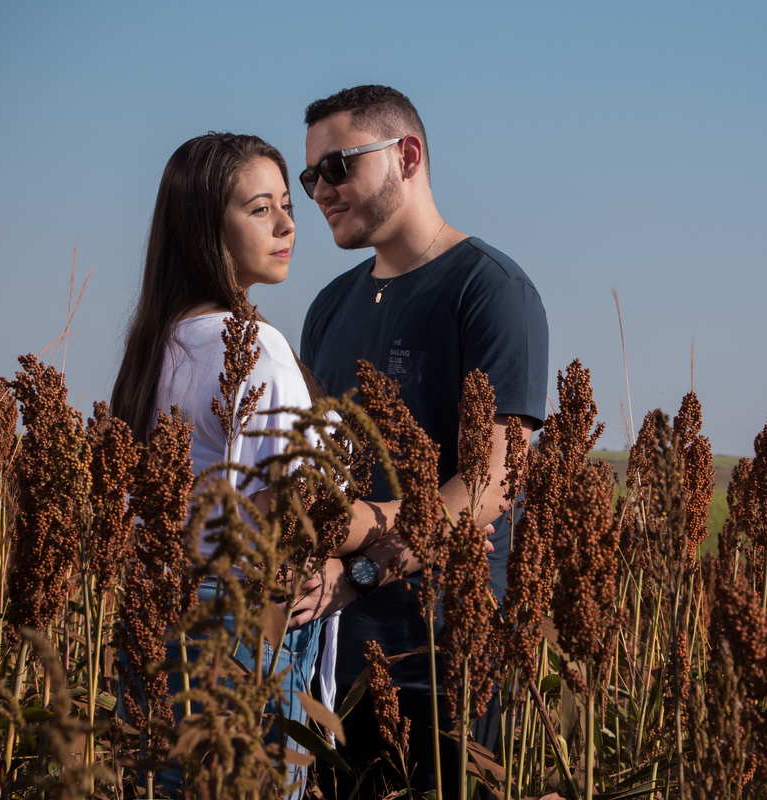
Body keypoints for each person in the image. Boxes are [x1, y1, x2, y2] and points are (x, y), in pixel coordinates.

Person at [290, 85, 550, 799]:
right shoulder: (329, 306)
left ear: (407, 156)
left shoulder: (490, 291)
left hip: (442, 655)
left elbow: (493, 481)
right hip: (333, 659)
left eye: (337, 166)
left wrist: (360, 568)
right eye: (308, 175)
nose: (318, 191)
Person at [110, 132, 324, 797]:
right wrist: (392, 537)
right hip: (238, 623)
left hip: (155, 611)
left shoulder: (153, 348)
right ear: (205, 225)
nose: (288, 224)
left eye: (288, 204)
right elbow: (296, 507)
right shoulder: (258, 347)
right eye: (261, 209)